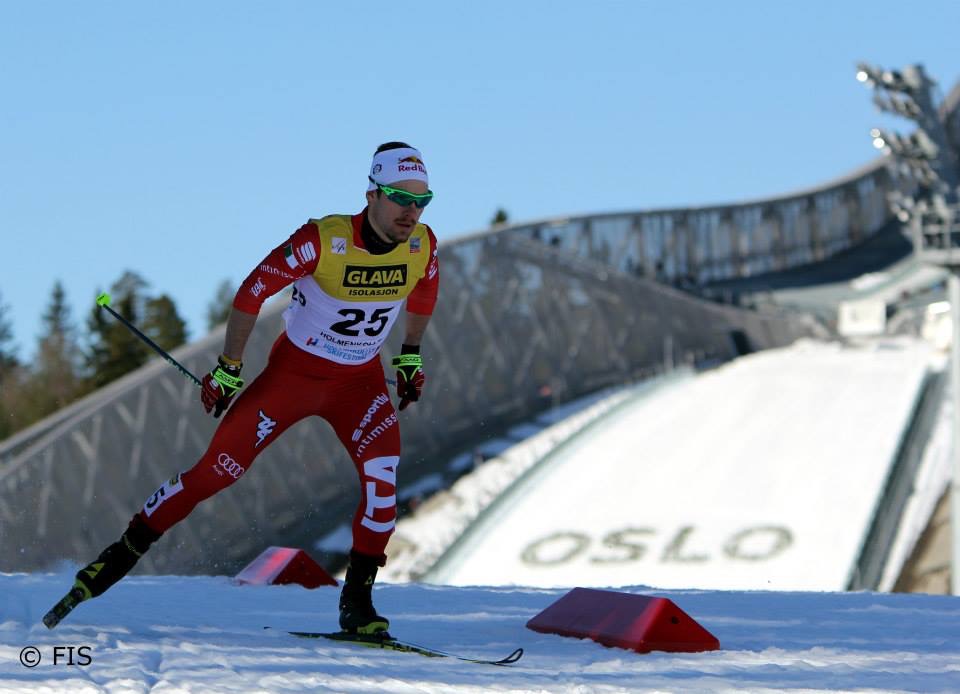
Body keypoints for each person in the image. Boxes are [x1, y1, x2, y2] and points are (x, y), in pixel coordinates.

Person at [50, 142, 440, 635]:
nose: (412, 211)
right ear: (371, 194)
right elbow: (253, 290)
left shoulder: (422, 244)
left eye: (422, 201)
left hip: (359, 386)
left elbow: (426, 285)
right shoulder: (323, 240)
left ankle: (357, 605)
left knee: (383, 486)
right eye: (401, 198)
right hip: (292, 379)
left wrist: (410, 352)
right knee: (216, 473)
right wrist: (229, 367)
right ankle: (118, 555)